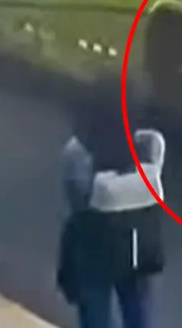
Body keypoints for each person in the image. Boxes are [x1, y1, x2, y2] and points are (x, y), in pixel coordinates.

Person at [57, 72, 166, 328]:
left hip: (94, 244)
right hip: (137, 242)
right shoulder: (149, 145)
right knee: (137, 304)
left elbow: (77, 199)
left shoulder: (78, 151)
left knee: (95, 309)